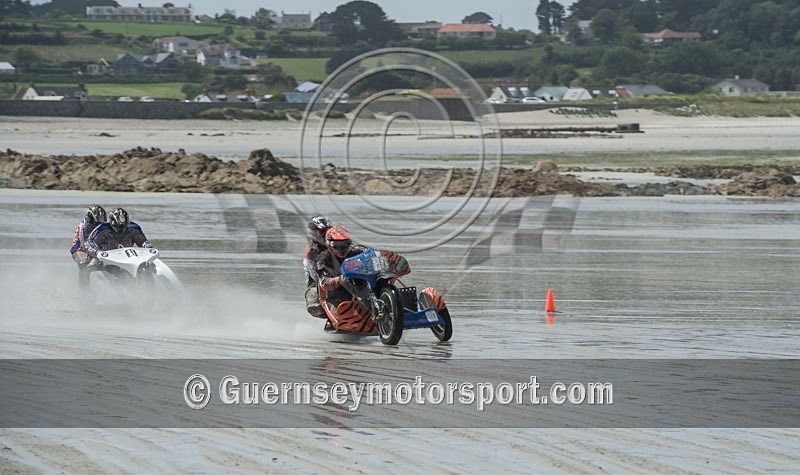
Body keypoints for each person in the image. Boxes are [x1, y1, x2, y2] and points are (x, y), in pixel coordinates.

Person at [312, 225, 370, 331]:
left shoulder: (357, 251)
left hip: (359, 287)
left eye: (345, 245)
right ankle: (333, 320)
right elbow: (324, 283)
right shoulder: (322, 259)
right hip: (333, 293)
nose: (342, 249)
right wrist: (342, 279)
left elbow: (373, 254)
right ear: (329, 244)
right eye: (337, 245)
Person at [86, 207, 152, 258]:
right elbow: (90, 241)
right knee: (93, 264)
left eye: (123, 225)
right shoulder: (102, 229)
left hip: (129, 256)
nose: (120, 228)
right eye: (118, 226)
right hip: (106, 257)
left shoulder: (134, 228)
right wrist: (97, 251)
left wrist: (146, 245)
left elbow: (143, 242)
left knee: (151, 265)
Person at [69, 204, 107, 289]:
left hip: (95, 248)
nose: (100, 222)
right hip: (80, 249)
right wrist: (97, 253)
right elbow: (85, 243)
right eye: (98, 220)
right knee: (84, 264)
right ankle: (84, 292)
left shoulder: (103, 225)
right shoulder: (85, 226)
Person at [303, 215, 333, 318]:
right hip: (317, 283)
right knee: (314, 300)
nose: (326, 234)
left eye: (329, 230)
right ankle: (331, 318)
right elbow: (317, 275)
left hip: (336, 274)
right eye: (322, 231)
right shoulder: (311, 252)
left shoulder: (335, 242)